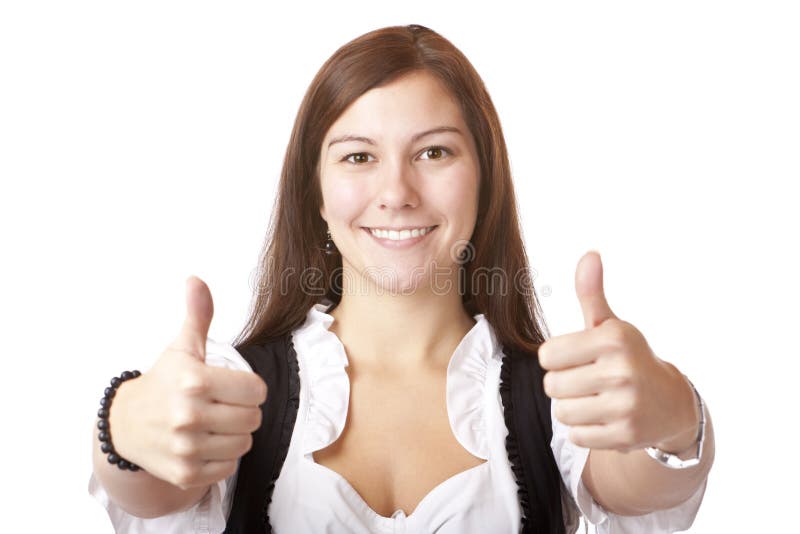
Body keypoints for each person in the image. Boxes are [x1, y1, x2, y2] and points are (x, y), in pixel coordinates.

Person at [88, 24, 715, 533]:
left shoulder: (557, 397)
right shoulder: (238, 389)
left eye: (434, 152)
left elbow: (634, 487)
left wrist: (673, 417)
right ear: (316, 194)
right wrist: (124, 426)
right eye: (359, 156)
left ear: (484, 178)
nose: (396, 193)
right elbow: (154, 492)